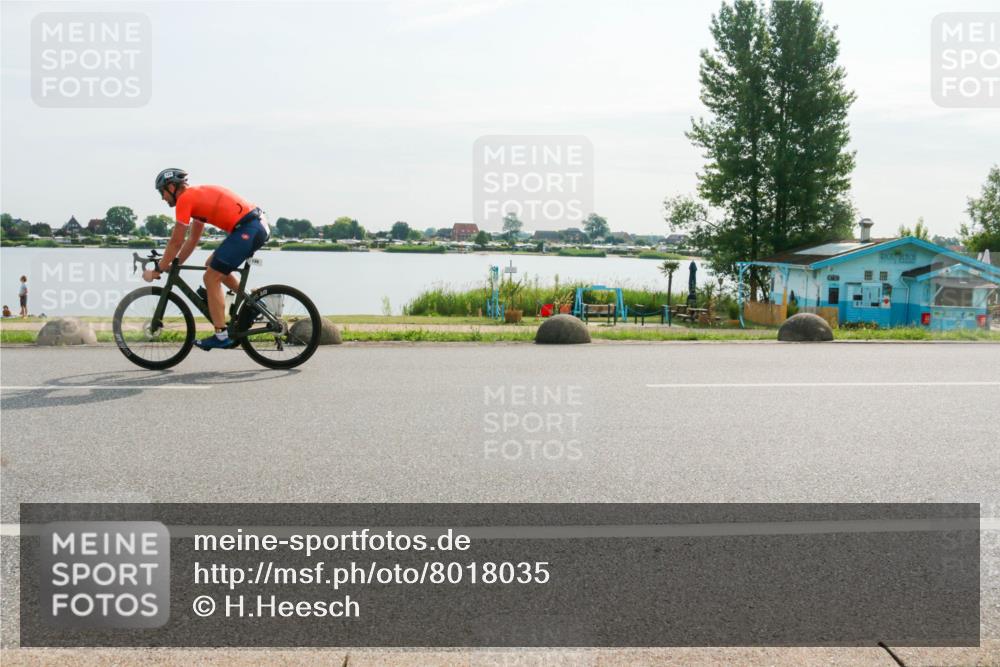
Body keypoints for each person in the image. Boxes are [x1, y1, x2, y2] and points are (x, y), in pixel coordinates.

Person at [147, 168, 270, 350]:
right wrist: (176, 264)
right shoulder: (196, 199)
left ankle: (221, 335)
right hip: (251, 226)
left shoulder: (186, 199)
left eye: (162, 192)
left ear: (172, 187)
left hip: (249, 228)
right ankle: (253, 302)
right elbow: (192, 240)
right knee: (211, 266)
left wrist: (159, 268)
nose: (162, 198)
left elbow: (176, 240)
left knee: (211, 277)